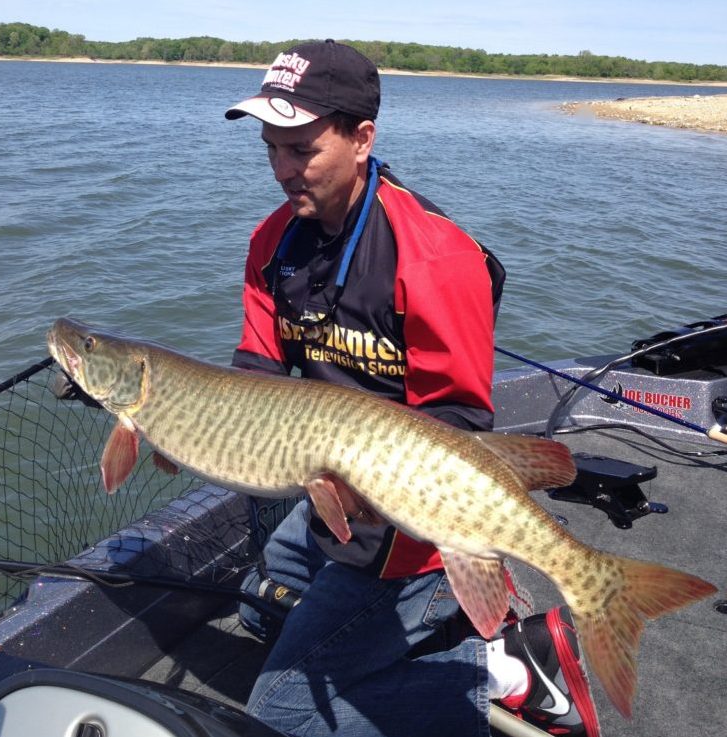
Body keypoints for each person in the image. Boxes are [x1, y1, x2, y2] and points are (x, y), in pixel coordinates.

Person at [225, 40, 600, 737]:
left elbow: (459, 421)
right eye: (269, 148)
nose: (280, 169)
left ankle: (506, 671)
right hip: (330, 502)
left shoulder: (437, 258)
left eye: (300, 149)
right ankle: (466, 642)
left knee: (279, 718)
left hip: (417, 536)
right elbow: (256, 378)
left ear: (361, 138)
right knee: (256, 608)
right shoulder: (272, 242)